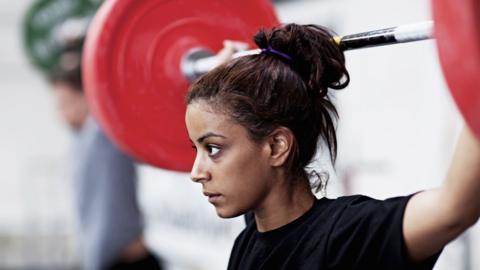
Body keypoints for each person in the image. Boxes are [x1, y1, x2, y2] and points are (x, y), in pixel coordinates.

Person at [185, 23, 480, 269]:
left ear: (276, 147)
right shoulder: (250, 241)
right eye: (196, 149)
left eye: (212, 149)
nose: (196, 173)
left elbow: (454, 209)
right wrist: (220, 77)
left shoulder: (345, 236)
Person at [48, 39, 163, 270]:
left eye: (64, 102)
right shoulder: (82, 139)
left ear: (87, 98)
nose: (60, 113)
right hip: (110, 259)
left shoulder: (102, 135)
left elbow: (109, 217)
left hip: (126, 261)